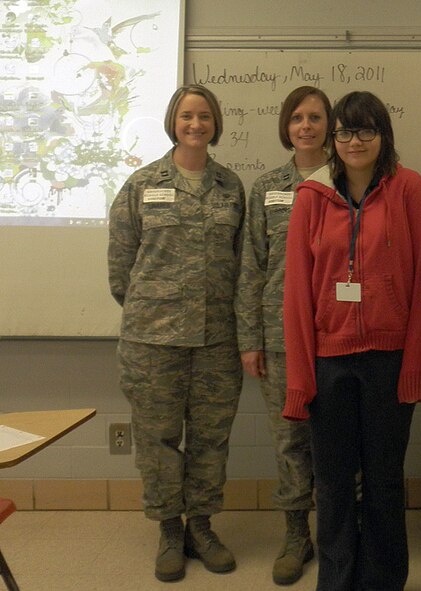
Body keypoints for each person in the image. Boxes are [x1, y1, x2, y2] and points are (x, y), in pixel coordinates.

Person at [282, 90, 421, 591]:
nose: (354, 140)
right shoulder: (311, 196)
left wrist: (416, 364)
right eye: (345, 130)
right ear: (333, 139)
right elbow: (297, 296)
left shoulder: (408, 188)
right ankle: (337, 579)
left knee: (385, 482)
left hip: (389, 360)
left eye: (366, 129)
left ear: (384, 135)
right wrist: (301, 378)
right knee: (332, 485)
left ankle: (384, 581)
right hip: (330, 362)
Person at [108, 84, 245, 582]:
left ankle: (202, 527)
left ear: (215, 123)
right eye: (187, 116)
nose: (195, 124)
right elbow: (121, 269)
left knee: (210, 439)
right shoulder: (142, 184)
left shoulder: (231, 187)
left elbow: (239, 263)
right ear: (173, 121)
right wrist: (157, 310)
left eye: (204, 116)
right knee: (158, 440)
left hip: (215, 341)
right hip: (152, 342)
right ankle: (169, 529)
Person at [234, 86, 331, 585]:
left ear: (329, 125)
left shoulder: (349, 178)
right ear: (286, 126)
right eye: (297, 117)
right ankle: (297, 535)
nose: (306, 126)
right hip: (279, 336)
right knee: (291, 442)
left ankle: (341, 533)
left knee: (336, 440)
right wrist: (250, 338)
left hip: (335, 336)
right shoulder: (267, 186)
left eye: (316, 117)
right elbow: (252, 265)